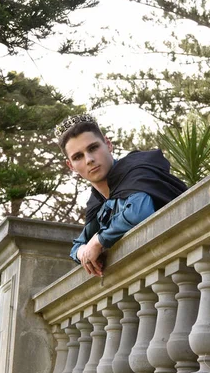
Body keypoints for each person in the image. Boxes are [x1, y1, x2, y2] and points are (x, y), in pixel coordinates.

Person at [56, 114, 187, 277]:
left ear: (108, 144)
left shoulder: (136, 170)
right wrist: (83, 252)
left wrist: (98, 241)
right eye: (78, 157)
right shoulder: (97, 202)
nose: (89, 159)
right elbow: (77, 246)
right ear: (71, 166)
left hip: (185, 265)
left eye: (93, 148)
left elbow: (140, 212)